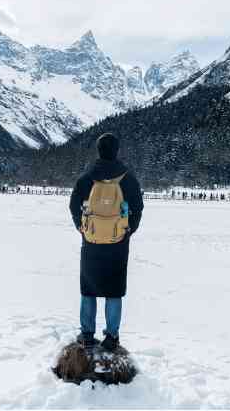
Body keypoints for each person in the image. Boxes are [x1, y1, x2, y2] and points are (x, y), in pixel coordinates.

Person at [69, 133, 144, 352]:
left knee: (88, 288)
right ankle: (112, 336)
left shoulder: (87, 177)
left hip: (91, 242)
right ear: (117, 150)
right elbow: (138, 208)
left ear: (98, 150)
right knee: (114, 290)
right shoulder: (127, 178)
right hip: (118, 243)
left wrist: (82, 229)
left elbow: (74, 206)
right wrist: (127, 232)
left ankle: (87, 334)